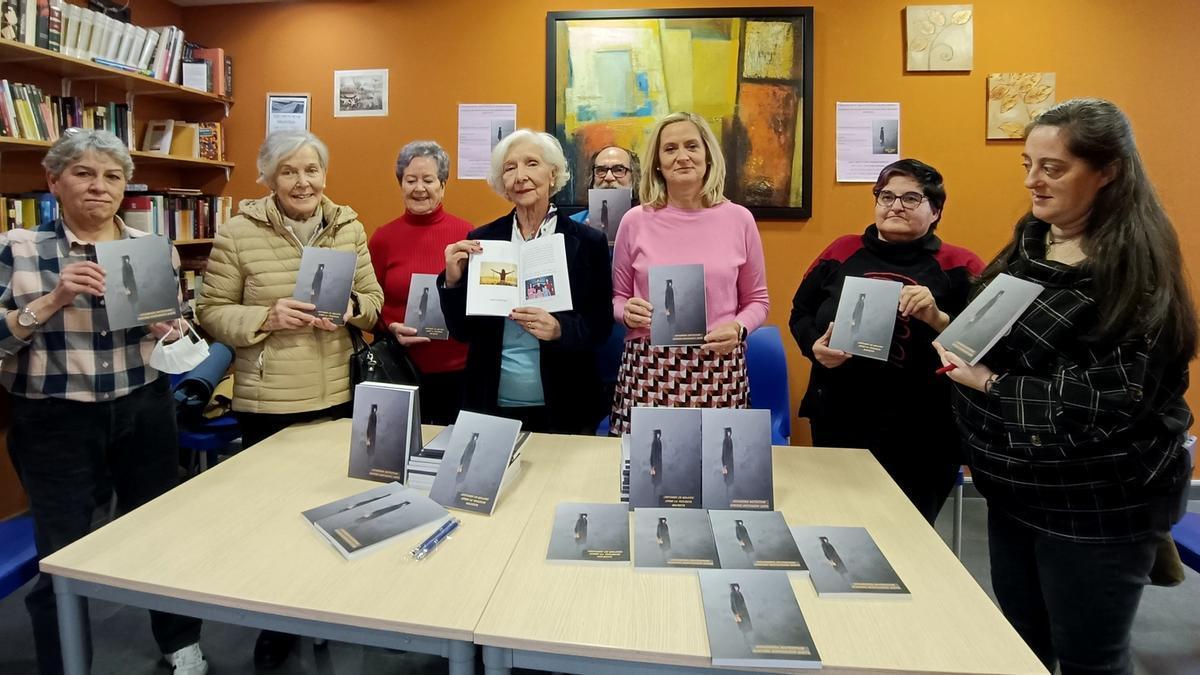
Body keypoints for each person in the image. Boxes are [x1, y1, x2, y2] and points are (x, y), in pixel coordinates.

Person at [934, 98, 1196, 675]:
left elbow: (1110, 400)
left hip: (1093, 504)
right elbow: (998, 324)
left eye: (1053, 168)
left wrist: (991, 382)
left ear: (1109, 171)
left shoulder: (1136, 269)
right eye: (1028, 163)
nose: (1033, 181)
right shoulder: (1034, 238)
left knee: (1090, 660)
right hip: (1013, 489)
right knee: (1022, 642)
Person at [0, 130, 207, 675]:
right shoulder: (20, 249)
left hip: (143, 408)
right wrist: (52, 299)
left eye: (112, 176)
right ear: (54, 181)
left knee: (162, 533)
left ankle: (181, 643)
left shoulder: (150, 247)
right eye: (84, 174)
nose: (99, 187)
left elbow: (179, 342)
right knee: (62, 553)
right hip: (55, 420)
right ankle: (65, 662)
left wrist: (173, 327)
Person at [196, 130, 382, 670]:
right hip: (270, 400)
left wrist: (351, 309)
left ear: (324, 174)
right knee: (273, 522)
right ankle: (274, 624)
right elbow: (211, 312)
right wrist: (265, 317)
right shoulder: (237, 232)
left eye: (311, 170)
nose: (302, 181)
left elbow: (373, 303)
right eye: (288, 172)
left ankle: (329, 609)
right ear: (269, 178)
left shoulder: (347, 224)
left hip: (339, 395)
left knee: (340, 511)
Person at [789, 158, 984, 523]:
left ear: (936, 210)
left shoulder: (961, 265)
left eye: (911, 198)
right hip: (839, 417)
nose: (895, 205)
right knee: (840, 525)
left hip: (925, 430)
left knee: (906, 532)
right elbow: (799, 313)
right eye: (886, 196)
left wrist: (937, 318)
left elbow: (984, 343)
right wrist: (815, 347)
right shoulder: (840, 252)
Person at [439, 129, 612, 433]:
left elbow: (600, 325)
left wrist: (560, 329)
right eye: (509, 168)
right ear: (502, 183)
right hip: (493, 402)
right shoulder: (482, 240)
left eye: (532, 163)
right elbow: (463, 332)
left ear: (553, 173)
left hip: (566, 403)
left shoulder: (587, 241)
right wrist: (453, 282)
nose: (520, 176)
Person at [611, 111, 770, 434]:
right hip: (649, 366)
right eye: (670, 149)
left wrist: (739, 328)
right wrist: (627, 312)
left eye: (691, 146)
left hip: (719, 364)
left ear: (708, 156)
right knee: (648, 478)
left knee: (718, 478)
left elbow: (758, 301)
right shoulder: (634, 221)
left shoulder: (739, 220)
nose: (682, 156)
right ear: (657, 161)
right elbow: (618, 298)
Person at [369, 140, 472, 424]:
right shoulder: (383, 238)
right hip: (398, 368)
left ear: (443, 185)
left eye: (428, 180)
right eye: (410, 180)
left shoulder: (466, 234)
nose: (419, 188)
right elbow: (368, 302)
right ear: (400, 184)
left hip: (457, 371)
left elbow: (474, 304)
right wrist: (389, 328)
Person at [569, 144, 641, 227]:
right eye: (601, 170)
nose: (608, 177)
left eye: (619, 170)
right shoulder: (571, 225)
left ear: (634, 177)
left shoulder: (650, 223)